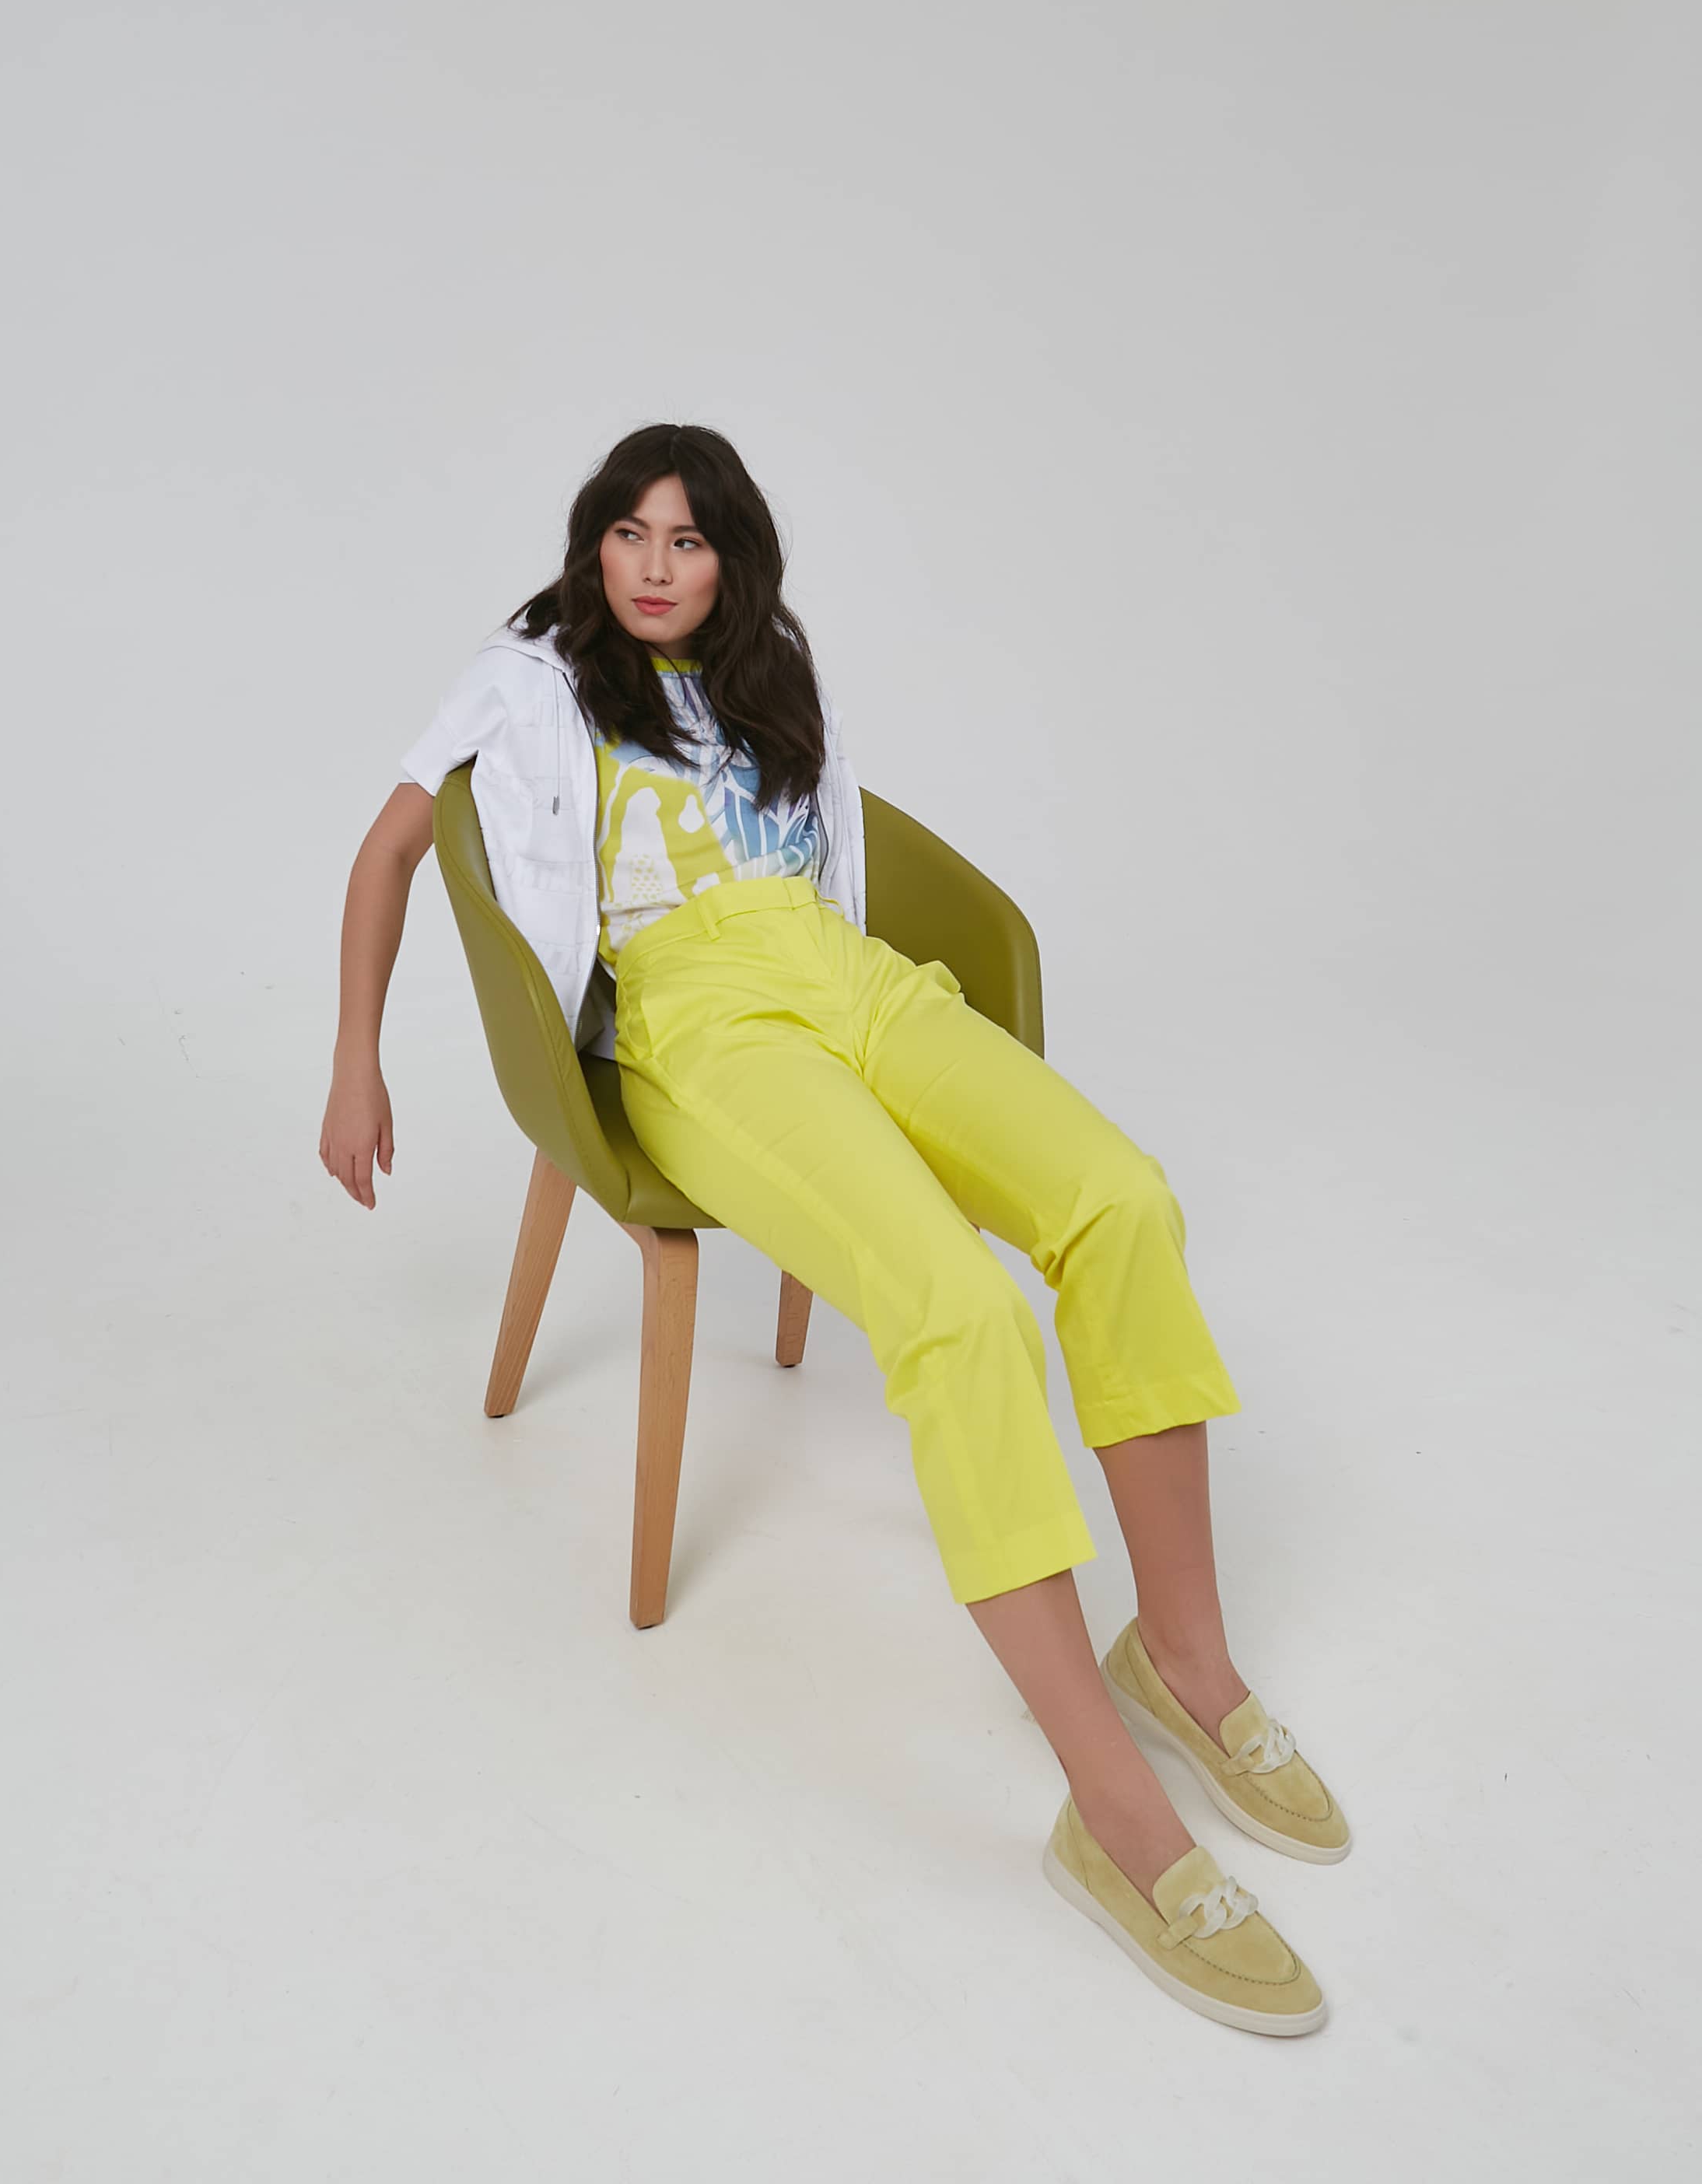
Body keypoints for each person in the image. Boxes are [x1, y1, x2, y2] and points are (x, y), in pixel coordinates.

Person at [321, 420, 1350, 2036]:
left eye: (688, 539)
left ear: (730, 558)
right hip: (694, 1016)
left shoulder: (767, 671)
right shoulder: (528, 676)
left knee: (1122, 1200)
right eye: (628, 533)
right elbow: (393, 843)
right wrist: (354, 1060)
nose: (654, 566)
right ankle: (1109, 1807)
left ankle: (1185, 1656)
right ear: (591, 543)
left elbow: (832, 847)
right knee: (957, 1307)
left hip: (845, 971)